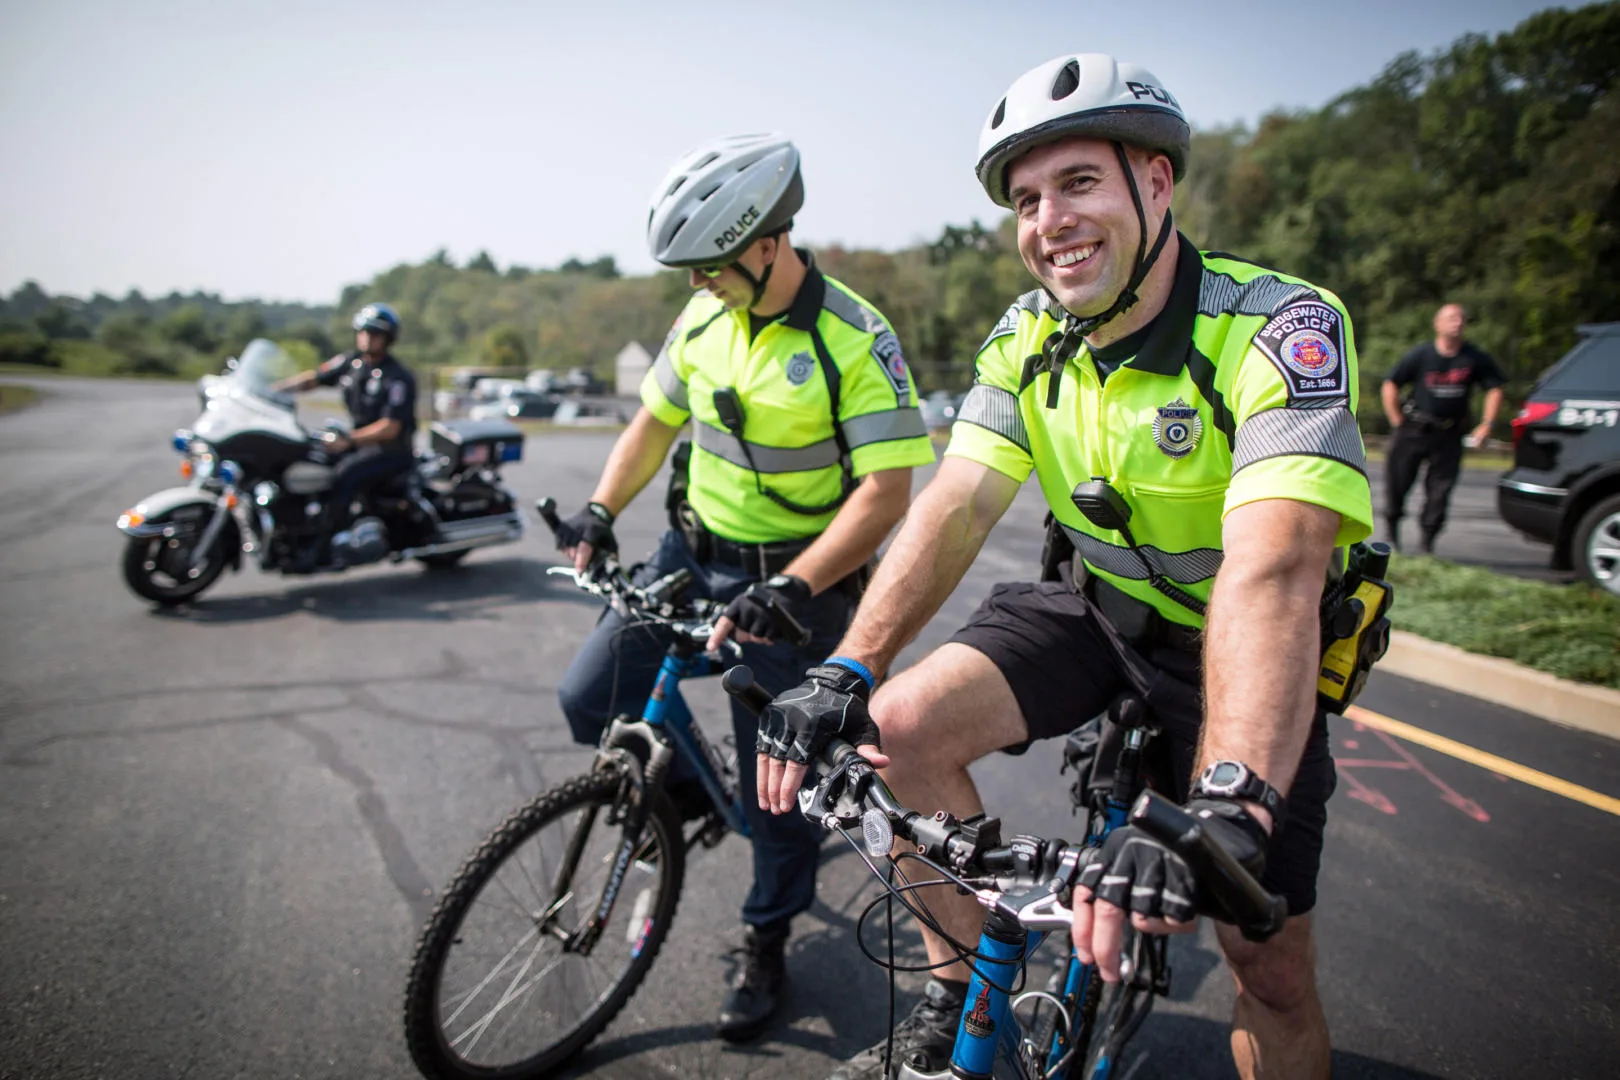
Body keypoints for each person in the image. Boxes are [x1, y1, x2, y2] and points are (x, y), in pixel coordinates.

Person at [757, 54, 1373, 1080]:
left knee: (1267, 965)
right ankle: (960, 986)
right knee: (896, 729)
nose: (1051, 221)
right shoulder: (1028, 331)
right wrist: (846, 668)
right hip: (1094, 613)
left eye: (1079, 183)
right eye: (1028, 200)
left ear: (1157, 184)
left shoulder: (1278, 325)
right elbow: (956, 501)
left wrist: (1228, 800)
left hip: (1232, 645)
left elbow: (1272, 573)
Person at [551, 133, 935, 1043]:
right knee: (586, 696)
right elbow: (652, 424)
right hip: (691, 554)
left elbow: (888, 492)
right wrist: (602, 512)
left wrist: (799, 586)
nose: (695, 286)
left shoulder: (853, 336)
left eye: (708, 266)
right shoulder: (704, 320)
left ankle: (766, 938)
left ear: (770, 242)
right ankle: (682, 797)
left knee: (778, 796)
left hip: (794, 585)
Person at [275, 303, 418, 568]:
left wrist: (349, 440)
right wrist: (275, 390)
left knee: (343, 477)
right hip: (360, 443)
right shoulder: (350, 363)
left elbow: (391, 427)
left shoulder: (397, 377)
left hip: (390, 450)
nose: (367, 337)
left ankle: (325, 547)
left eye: (375, 333)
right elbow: (313, 379)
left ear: (388, 338)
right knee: (312, 460)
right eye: (363, 331)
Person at [1381, 303, 1505, 554]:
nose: (1457, 323)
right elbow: (1390, 383)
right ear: (1437, 324)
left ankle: (1427, 544)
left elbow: (1495, 388)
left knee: (1440, 491)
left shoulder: (1473, 357)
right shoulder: (1421, 355)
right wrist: (1396, 419)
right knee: (1398, 483)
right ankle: (1391, 537)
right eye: (1451, 318)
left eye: (1461, 319)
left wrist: (1487, 424)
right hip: (1413, 429)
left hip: (1449, 434)